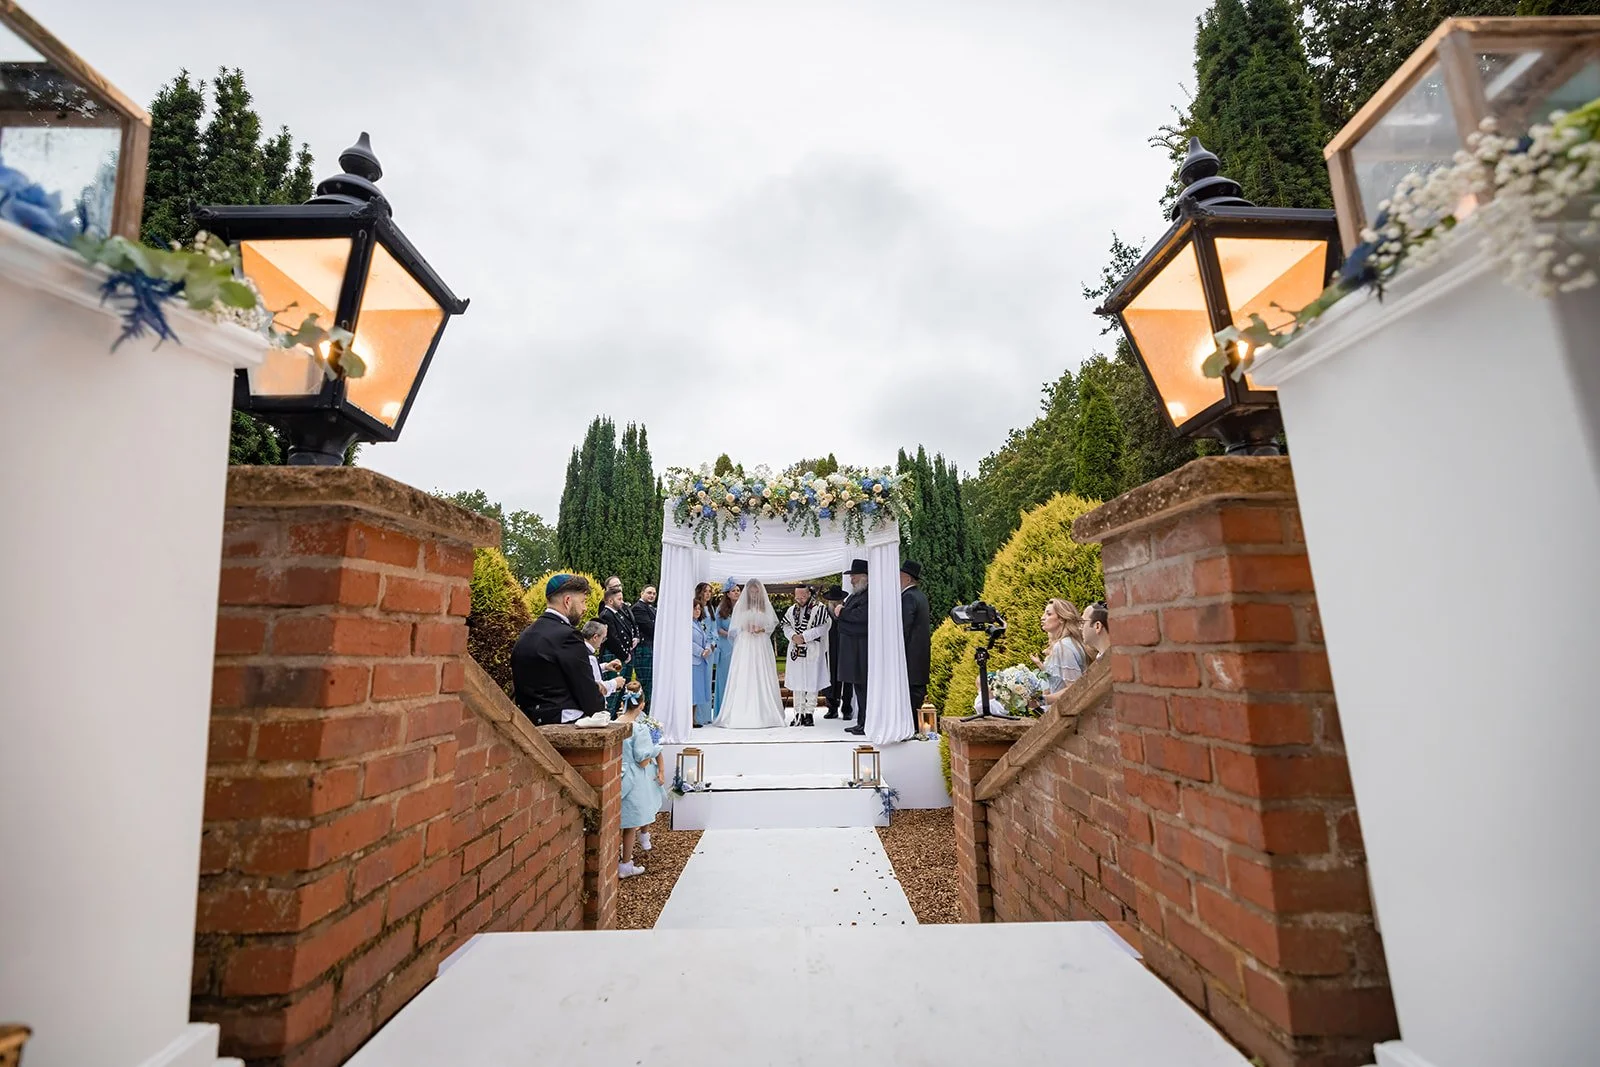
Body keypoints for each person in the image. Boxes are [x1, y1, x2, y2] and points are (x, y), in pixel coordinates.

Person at [510, 574, 606, 726]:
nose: (585, 608)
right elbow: (587, 694)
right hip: (562, 721)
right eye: (582, 601)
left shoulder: (526, 634)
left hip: (527, 721)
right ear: (567, 601)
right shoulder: (569, 636)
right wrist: (600, 702)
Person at [715, 578, 787, 729]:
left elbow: (772, 624)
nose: (754, 594)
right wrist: (745, 627)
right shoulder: (741, 607)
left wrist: (761, 629)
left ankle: (765, 710)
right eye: (751, 591)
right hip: (745, 643)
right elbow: (734, 628)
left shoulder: (765, 607)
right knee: (744, 672)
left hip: (760, 643)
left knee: (761, 672)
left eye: (756, 591)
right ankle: (741, 710)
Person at [618, 683, 665, 879]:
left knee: (618, 821)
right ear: (642, 705)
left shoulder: (615, 722)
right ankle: (626, 864)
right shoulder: (639, 728)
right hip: (634, 778)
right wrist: (656, 747)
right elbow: (644, 760)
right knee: (630, 824)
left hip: (617, 774)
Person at [781, 584, 831, 727]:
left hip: (812, 649)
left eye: (803, 597)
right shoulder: (792, 610)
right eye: (798, 597)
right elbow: (785, 625)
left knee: (812, 681)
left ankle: (809, 713)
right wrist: (793, 636)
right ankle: (798, 713)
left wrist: (805, 636)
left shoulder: (819, 608)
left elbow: (824, 627)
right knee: (797, 682)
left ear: (809, 594)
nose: (800, 599)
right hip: (796, 650)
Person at [835, 559, 871, 736]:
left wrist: (842, 612)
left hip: (861, 651)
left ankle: (865, 723)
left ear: (864, 577)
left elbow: (861, 618)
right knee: (859, 688)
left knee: (864, 688)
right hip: (852, 649)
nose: (851, 580)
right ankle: (861, 722)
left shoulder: (868, 595)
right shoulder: (854, 596)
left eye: (854, 577)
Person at [1034, 598, 1089, 706]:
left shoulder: (1064, 646)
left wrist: (1042, 700)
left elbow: (1074, 689)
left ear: (1062, 619)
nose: (1042, 618)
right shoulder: (1067, 644)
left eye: (1049, 614)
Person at [900, 561, 932, 716]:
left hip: (911, 655)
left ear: (907, 579)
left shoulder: (909, 597)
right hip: (919, 654)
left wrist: (897, 649)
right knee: (916, 692)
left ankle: (912, 726)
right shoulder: (920, 596)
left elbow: (905, 626)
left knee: (912, 694)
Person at [598, 585, 635, 716]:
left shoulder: (617, 614)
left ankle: (613, 718)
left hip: (621, 654)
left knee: (620, 690)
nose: (622, 602)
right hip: (613, 654)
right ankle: (608, 718)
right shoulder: (606, 614)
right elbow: (612, 638)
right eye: (619, 599)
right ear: (610, 601)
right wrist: (625, 655)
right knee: (612, 694)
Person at [820, 585, 851, 720]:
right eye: (833, 602)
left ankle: (847, 708)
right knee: (830, 679)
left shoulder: (848, 610)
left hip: (846, 648)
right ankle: (832, 707)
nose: (835, 604)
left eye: (838, 601)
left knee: (847, 679)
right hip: (829, 648)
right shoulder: (824, 613)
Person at [711, 579, 741, 720]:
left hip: (741, 644)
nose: (737, 593)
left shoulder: (743, 608)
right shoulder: (721, 609)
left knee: (739, 676)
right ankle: (722, 711)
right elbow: (716, 628)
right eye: (734, 590)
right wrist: (729, 634)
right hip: (726, 645)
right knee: (725, 677)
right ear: (727, 594)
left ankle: (738, 710)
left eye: (738, 590)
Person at [581, 621, 625, 704]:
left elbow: (586, 671)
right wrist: (615, 683)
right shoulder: (590, 657)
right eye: (603, 638)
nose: (602, 642)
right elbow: (597, 689)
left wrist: (605, 666)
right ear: (595, 637)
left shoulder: (579, 648)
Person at [691, 596, 716, 727]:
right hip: (693, 660)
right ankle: (690, 719)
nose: (697, 611)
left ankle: (694, 718)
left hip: (701, 660)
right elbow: (688, 642)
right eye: (695, 608)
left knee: (698, 691)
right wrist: (700, 651)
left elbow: (706, 638)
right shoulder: (687, 624)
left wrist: (707, 648)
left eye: (699, 609)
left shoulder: (698, 624)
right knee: (692, 691)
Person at [632, 584, 658, 705]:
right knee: (645, 682)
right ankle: (643, 713)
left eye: (654, 593)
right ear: (641, 593)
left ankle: (647, 712)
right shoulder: (638, 608)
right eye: (649, 592)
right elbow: (650, 628)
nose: (652, 595)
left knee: (651, 683)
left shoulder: (652, 609)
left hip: (651, 648)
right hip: (643, 650)